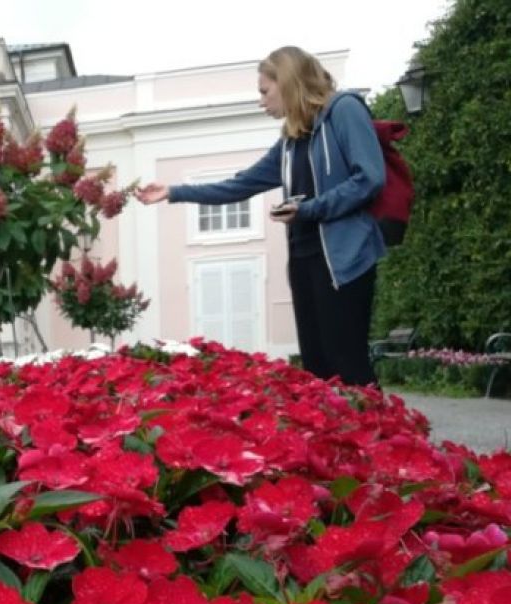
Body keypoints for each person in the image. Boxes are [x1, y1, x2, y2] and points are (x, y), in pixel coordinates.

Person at [136, 46, 386, 387]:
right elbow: (239, 185)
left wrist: (309, 209)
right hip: (303, 258)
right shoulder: (289, 142)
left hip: (344, 259)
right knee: (318, 369)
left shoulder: (343, 110)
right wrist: (174, 192)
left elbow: (369, 177)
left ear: (288, 82)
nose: (261, 101)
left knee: (349, 365)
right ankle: (337, 439)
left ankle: (380, 439)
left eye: (264, 91)